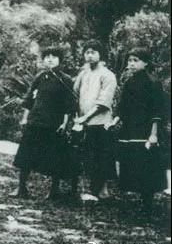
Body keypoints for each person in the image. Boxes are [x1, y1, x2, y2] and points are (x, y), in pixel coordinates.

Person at [12, 46, 78, 200]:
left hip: (53, 123)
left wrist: (64, 123)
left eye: (53, 56)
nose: (49, 59)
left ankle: (54, 190)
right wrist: (24, 118)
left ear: (60, 60)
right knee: (25, 155)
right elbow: (29, 100)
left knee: (55, 157)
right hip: (35, 121)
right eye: (46, 56)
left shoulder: (65, 79)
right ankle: (21, 187)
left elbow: (69, 105)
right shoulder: (40, 77)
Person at [111, 47, 167, 211]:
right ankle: (137, 195)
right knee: (132, 162)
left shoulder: (153, 82)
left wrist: (154, 133)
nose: (132, 64)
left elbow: (157, 110)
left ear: (146, 62)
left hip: (146, 129)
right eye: (130, 60)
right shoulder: (129, 82)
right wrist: (116, 119)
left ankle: (147, 201)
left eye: (136, 60)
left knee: (146, 164)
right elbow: (123, 106)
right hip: (130, 128)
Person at [72, 39, 117, 201]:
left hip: (100, 122)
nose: (89, 56)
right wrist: (78, 117)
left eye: (93, 52)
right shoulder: (84, 74)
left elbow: (103, 102)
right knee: (87, 156)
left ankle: (103, 190)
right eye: (87, 52)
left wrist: (85, 117)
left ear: (100, 54)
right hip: (84, 122)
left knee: (102, 157)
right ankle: (89, 190)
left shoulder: (108, 75)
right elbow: (75, 93)